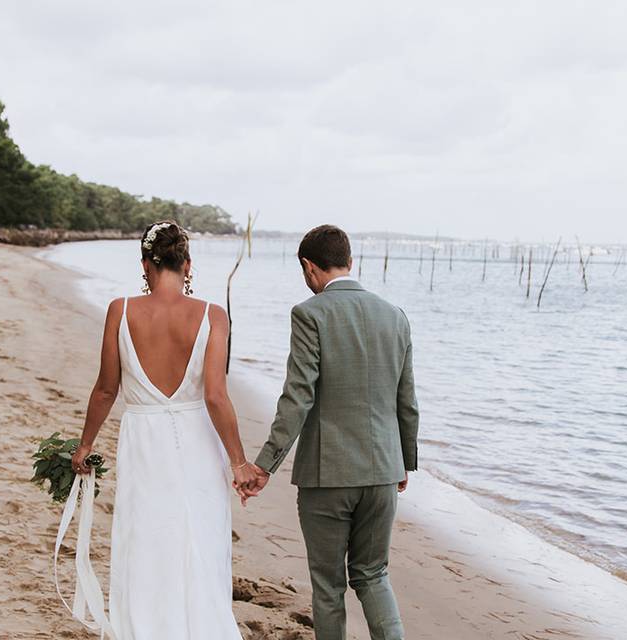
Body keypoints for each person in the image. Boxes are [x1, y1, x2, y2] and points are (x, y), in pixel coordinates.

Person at [71, 220, 254, 639]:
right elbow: (216, 396)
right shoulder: (213, 316)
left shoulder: (120, 310)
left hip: (144, 442)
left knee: (146, 538)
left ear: (145, 265)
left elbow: (105, 389)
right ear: (187, 265)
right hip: (198, 442)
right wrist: (239, 462)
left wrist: (84, 446)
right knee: (198, 537)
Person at [241, 224, 420, 640]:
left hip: (328, 477)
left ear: (308, 266)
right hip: (382, 473)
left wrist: (265, 465)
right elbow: (406, 401)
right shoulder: (395, 316)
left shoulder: (310, 313)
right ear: (350, 262)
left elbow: (297, 397)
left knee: (328, 587)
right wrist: (404, 461)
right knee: (373, 574)